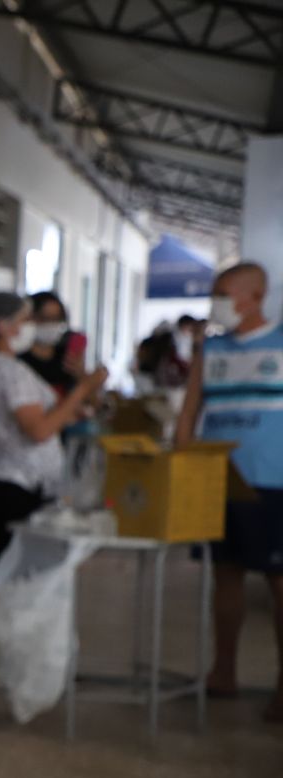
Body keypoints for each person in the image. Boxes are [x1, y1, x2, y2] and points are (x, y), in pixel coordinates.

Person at [175, 262, 283, 720]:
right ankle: (223, 672)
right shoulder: (210, 349)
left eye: (224, 293)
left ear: (255, 295)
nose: (216, 301)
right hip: (222, 481)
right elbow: (190, 411)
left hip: (274, 483)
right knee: (227, 576)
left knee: (279, 584)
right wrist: (182, 461)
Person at [0, 291, 107, 569]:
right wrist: (84, 390)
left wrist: (67, 410)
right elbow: (38, 430)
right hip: (12, 487)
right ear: (5, 326)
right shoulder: (12, 373)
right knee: (12, 573)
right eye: (26, 320)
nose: (32, 327)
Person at [19, 291, 87, 397]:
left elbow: (90, 401)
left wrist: (81, 375)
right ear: (29, 318)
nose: (51, 324)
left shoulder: (67, 356)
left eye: (56, 319)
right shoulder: (19, 359)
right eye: (45, 318)